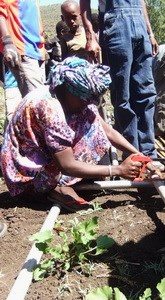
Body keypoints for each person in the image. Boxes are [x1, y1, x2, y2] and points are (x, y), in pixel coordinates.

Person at [0, 57, 155, 212]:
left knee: (91, 122)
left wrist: (139, 154)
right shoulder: (49, 109)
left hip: (46, 153)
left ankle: (70, 180)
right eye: (85, 99)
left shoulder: (69, 97)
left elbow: (106, 130)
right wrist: (118, 170)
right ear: (69, 90)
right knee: (88, 159)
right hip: (28, 175)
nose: (88, 102)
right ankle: (55, 187)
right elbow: (66, 165)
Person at [80, 0, 159, 159]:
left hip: (140, 24)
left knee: (146, 94)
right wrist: (90, 36)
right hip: (116, 23)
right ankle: (133, 153)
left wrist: (150, 33)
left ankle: (150, 154)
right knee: (123, 96)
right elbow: (84, 3)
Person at [0, 0, 46, 98]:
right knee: (37, 101)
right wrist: (7, 42)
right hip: (22, 49)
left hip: (38, 50)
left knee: (40, 99)